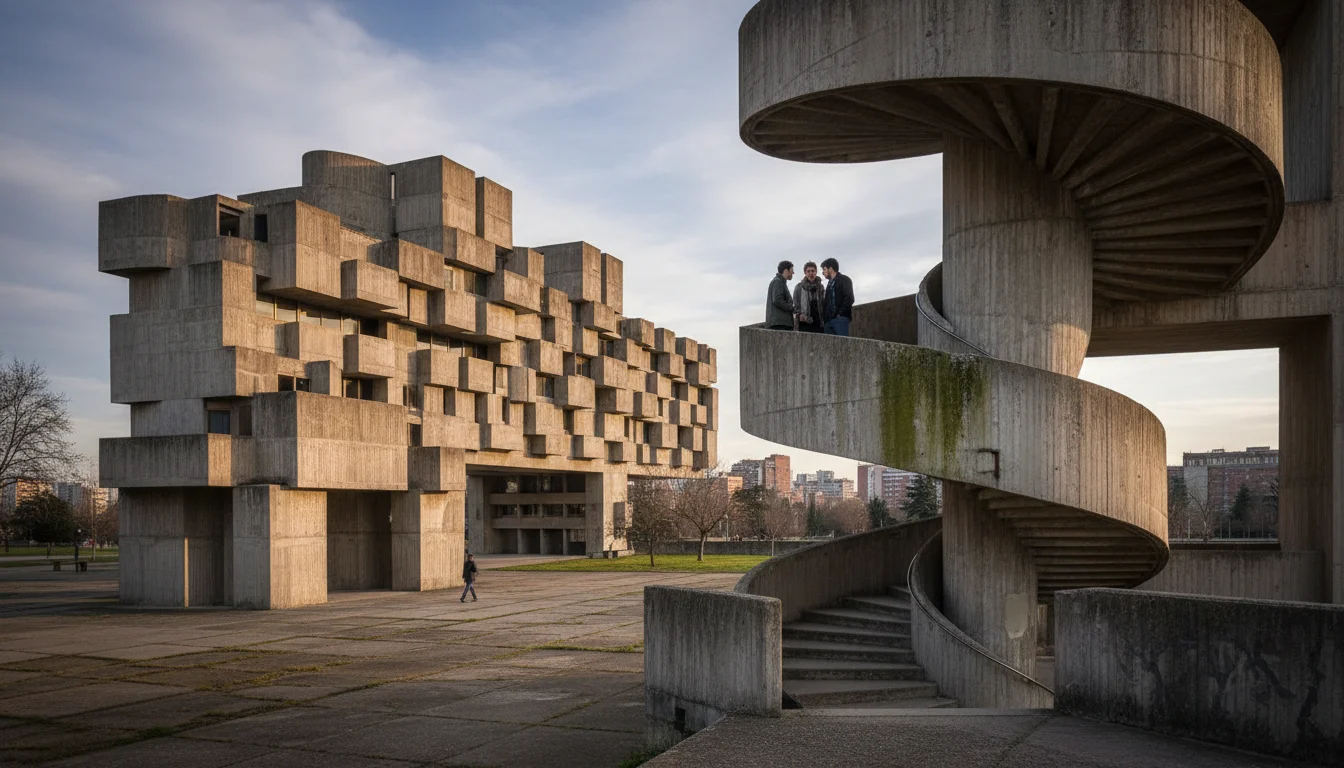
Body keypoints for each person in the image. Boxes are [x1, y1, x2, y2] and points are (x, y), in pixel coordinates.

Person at [821, 257, 854, 337]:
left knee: (842, 345)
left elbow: (849, 298)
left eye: (824, 269)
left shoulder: (845, 279)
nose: (823, 272)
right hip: (829, 321)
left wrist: (839, 314)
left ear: (831, 269)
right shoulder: (829, 284)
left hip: (840, 319)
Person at [792, 261, 825, 333]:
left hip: (819, 322)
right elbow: (796, 305)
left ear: (816, 272)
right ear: (805, 273)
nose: (811, 273)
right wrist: (802, 316)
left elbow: (824, 303)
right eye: (808, 271)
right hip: (804, 322)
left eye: (813, 271)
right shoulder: (799, 287)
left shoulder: (821, 287)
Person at [765, 260, 795, 330]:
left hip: (780, 323)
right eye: (791, 270)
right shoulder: (777, 282)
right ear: (785, 270)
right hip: (780, 324)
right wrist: (791, 308)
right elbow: (777, 300)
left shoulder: (780, 282)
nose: (793, 272)